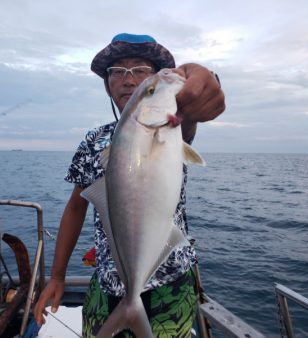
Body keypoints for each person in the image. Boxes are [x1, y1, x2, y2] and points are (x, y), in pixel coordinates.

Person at [34, 33, 225, 337]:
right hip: (107, 282)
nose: (128, 79)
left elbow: (193, 104)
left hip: (170, 284)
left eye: (140, 70)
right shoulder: (93, 141)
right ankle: (128, 305)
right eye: (117, 71)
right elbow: (75, 206)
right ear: (107, 83)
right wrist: (57, 277)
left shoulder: (173, 126)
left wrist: (201, 78)